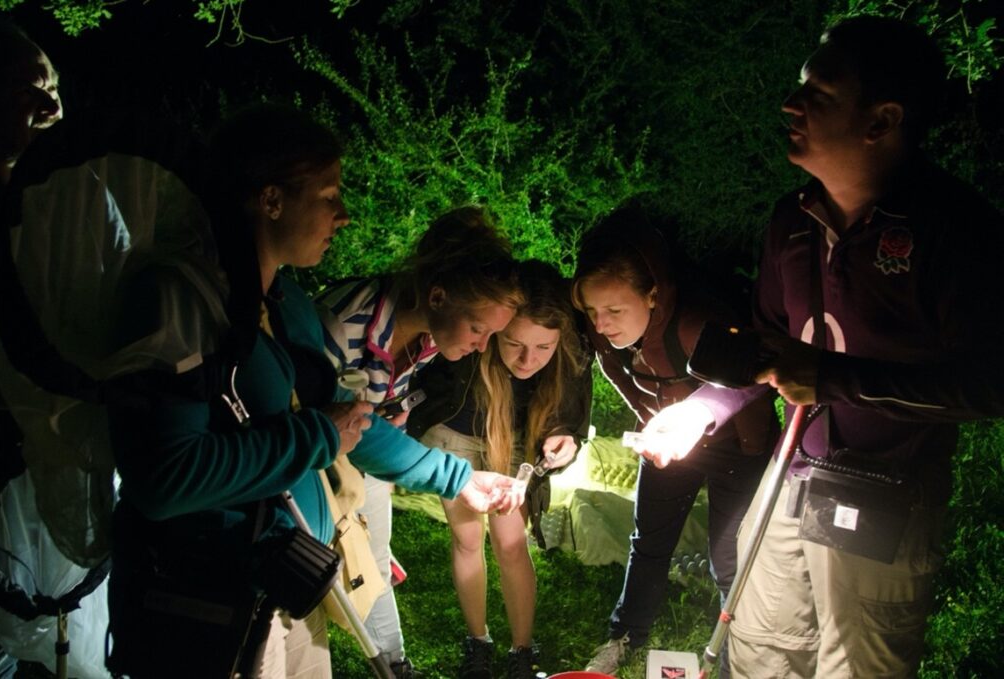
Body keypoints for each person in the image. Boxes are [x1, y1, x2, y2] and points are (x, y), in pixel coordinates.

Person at [632, 17, 1004, 678]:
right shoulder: (792, 221)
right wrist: (702, 410)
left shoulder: (956, 231)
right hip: (790, 474)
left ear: (882, 120)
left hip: (888, 490)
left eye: (819, 95)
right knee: (760, 648)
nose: (790, 105)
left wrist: (833, 379)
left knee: (856, 666)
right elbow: (768, 352)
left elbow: (986, 382)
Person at [104, 104, 523, 679]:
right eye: (328, 196)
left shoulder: (288, 305)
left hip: (285, 586)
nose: (343, 215)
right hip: (205, 599)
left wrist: (458, 479)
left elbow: (353, 422)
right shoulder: (178, 299)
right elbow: (162, 479)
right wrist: (315, 435)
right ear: (270, 199)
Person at [316, 205, 522, 674]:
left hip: (365, 463)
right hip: (311, 471)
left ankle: (394, 665)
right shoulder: (343, 326)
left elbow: (378, 416)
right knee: (322, 576)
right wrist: (456, 477)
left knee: (375, 561)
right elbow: (340, 426)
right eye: (478, 329)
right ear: (437, 295)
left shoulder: (427, 335)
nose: (482, 346)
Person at [573, 207, 775, 677]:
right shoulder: (600, 332)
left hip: (739, 444)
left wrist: (692, 416)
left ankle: (734, 652)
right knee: (649, 541)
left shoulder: (696, 324)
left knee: (730, 556)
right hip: (666, 439)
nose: (601, 325)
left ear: (653, 295)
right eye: (592, 311)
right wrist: (653, 424)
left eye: (615, 310)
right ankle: (624, 637)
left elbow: (755, 377)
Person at [406, 259, 591, 679]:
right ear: (496, 330)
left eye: (543, 348)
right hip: (457, 434)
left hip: (516, 442)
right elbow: (424, 381)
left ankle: (522, 651)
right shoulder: (470, 339)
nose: (528, 360)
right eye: (513, 344)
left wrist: (566, 438)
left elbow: (571, 418)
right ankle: (478, 643)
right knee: (468, 537)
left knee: (510, 542)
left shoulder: (571, 352)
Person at [0, 14, 63, 678]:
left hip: (24, 465)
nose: (51, 106)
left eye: (54, 88)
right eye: (30, 86)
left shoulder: (37, 206)